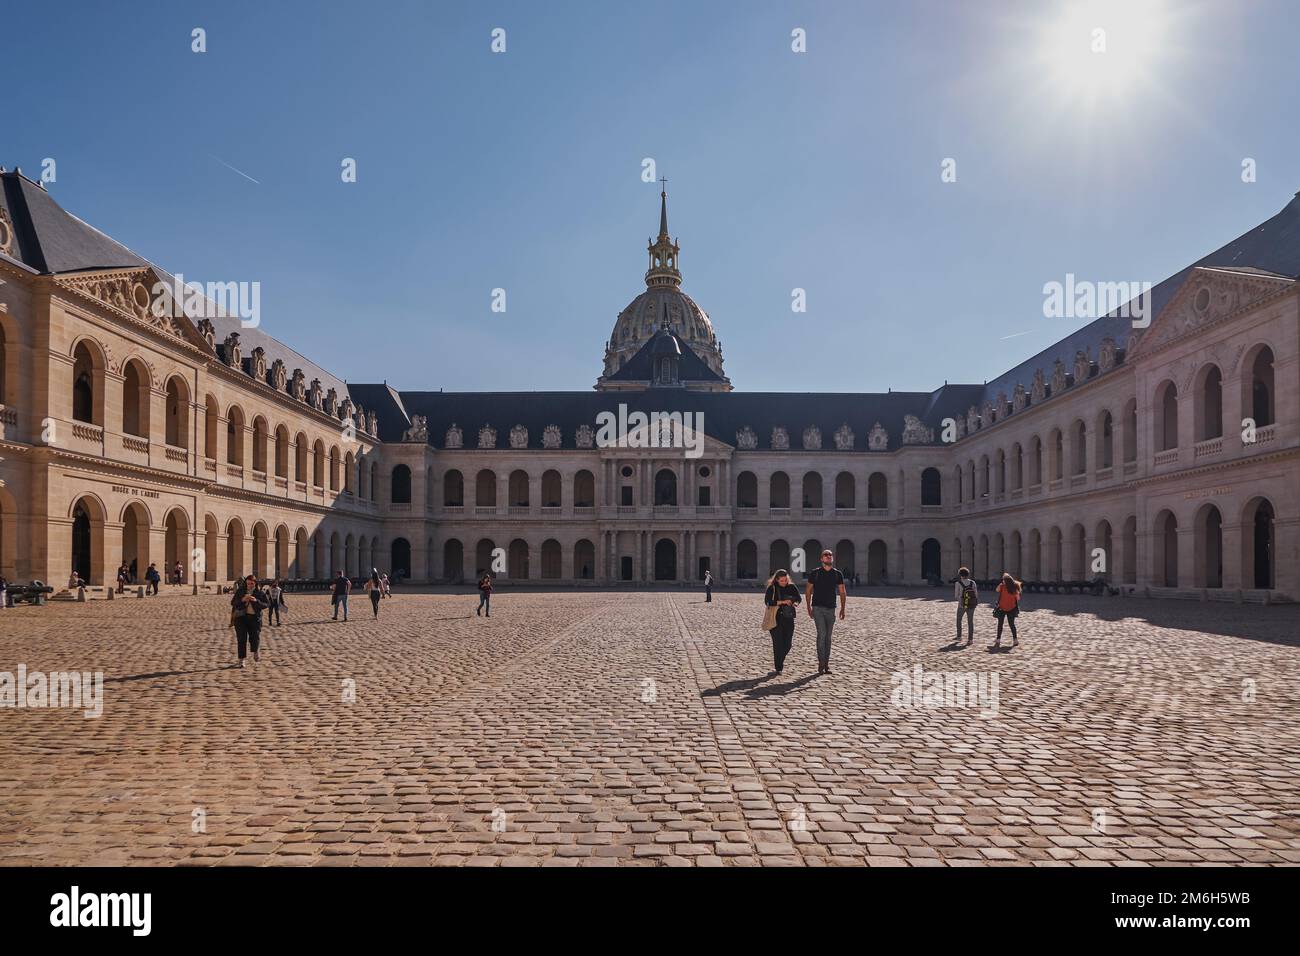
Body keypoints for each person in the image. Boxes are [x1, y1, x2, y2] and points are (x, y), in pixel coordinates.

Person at [805, 549, 846, 675]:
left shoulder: (837, 574)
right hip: (818, 608)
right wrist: (808, 607)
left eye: (830, 555)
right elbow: (808, 591)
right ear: (821, 559)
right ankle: (821, 662)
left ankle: (826, 663)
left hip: (831, 608)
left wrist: (843, 608)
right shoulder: (815, 573)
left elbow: (842, 591)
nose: (828, 556)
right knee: (822, 634)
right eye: (825, 555)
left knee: (828, 637)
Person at [764, 569, 801, 674]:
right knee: (778, 644)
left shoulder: (792, 587)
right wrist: (783, 602)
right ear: (776, 580)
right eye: (782, 581)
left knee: (788, 644)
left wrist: (795, 603)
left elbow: (798, 598)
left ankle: (779, 660)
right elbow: (767, 602)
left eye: (785, 580)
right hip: (776, 619)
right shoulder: (772, 588)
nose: (784, 582)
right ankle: (779, 668)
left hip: (789, 618)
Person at [230, 574, 269, 668]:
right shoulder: (240, 591)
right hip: (241, 618)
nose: (249, 585)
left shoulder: (260, 592)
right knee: (241, 639)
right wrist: (243, 600)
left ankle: (255, 651)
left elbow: (266, 604)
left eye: (251, 584)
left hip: (255, 618)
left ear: (255, 584)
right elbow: (233, 603)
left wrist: (256, 601)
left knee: (255, 637)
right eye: (248, 584)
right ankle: (241, 659)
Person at [994, 572, 1022, 649]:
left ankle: (998, 639)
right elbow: (1018, 598)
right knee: (1012, 625)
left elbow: (997, 590)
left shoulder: (1002, 586)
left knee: (1000, 624)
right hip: (1012, 608)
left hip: (1002, 608)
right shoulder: (1015, 587)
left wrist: (1001, 584)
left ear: (1005, 581)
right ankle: (1015, 639)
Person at [955, 566, 978, 645]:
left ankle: (959, 636)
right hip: (971, 604)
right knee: (970, 621)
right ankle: (970, 639)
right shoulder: (973, 582)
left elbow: (956, 595)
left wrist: (962, 601)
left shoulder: (958, 583)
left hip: (962, 604)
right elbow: (976, 594)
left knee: (959, 619)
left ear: (960, 575)